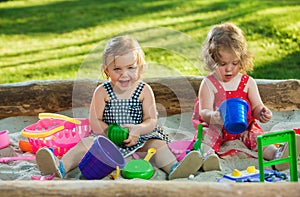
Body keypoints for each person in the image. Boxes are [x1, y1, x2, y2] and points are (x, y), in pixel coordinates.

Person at [36, 35, 203, 180]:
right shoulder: (102, 92)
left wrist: (138, 129)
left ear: (141, 68)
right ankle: (61, 166)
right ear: (106, 71)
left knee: (159, 146)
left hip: (140, 138)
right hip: (106, 139)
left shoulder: (144, 90)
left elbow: (151, 119)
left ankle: (174, 168)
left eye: (131, 68)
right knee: (85, 143)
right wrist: (109, 131)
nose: (125, 74)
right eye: (117, 69)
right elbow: (95, 121)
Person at [192, 22, 298, 172]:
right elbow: (204, 111)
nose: (229, 69)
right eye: (222, 64)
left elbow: (256, 107)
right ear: (212, 61)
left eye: (234, 63)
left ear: (242, 60)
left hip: (243, 128)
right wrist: (213, 116)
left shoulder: (247, 82)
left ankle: (277, 155)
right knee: (206, 137)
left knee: (258, 137)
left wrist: (262, 112)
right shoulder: (209, 83)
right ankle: (208, 157)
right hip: (218, 127)